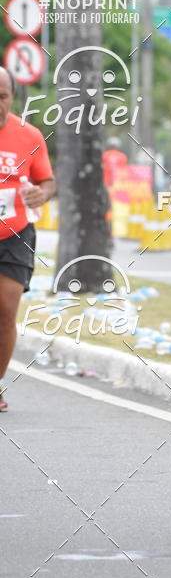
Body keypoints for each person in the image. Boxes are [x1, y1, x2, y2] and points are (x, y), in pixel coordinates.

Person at [0, 68, 56, 412]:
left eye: (2, 96)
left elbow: (48, 181)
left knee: (5, 311)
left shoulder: (30, 135)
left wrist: (42, 194)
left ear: (12, 97)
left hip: (15, 231)